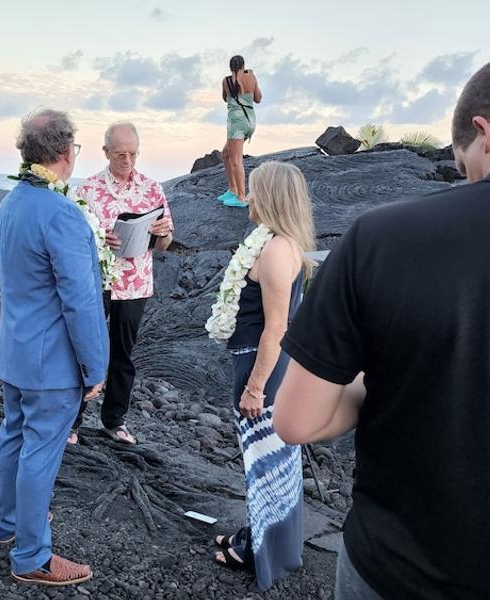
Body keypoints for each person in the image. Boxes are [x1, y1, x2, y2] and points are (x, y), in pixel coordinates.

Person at [274, 62, 490, 600]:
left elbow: (298, 420)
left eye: (462, 165)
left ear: (483, 132)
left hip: (403, 568)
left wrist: (379, 382)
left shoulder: (381, 236)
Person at [0, 108, 109, 586]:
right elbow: (81, 302)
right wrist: (96, 367)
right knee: (41, 450)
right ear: (66, 152)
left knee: (14, 437)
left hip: (14, 350)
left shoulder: (11, 203)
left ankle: (8, 524)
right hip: (52, 362)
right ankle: (32, 557)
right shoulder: (62, 214)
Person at [206, 161, 314, 591]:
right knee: (275, 462)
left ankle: (260, 554)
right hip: (269, 365)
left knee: (265, 465)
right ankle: (263, 542)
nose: (247, 197)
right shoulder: (284, 243)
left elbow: (276, 328)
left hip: (260, 367)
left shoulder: (272, 251)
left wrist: (254, 387)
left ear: (268, 196)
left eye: (253, 190)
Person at [68, 122, 174, 445]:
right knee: (84, 350)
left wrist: (161, 234)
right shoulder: (87, 190)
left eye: (132, 154)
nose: (127, 160)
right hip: (96, 282)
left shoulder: (152, 189)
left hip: (136, 284)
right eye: (120, 154)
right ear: (105, 153)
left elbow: (166, 243)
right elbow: (72, 239)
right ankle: (71, 422)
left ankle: (114, 421)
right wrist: (101, 239)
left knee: (123, 355)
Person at [218, 55, 262, 208]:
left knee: (236, 160)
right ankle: (232, 189)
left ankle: (241, 197)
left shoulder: (227, 81)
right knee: (225, 154)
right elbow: (258, 98)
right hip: (250, 122)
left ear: (230, 67)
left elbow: (225, 98)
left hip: (236, 124)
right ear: (244, 65)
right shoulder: (251, 77)